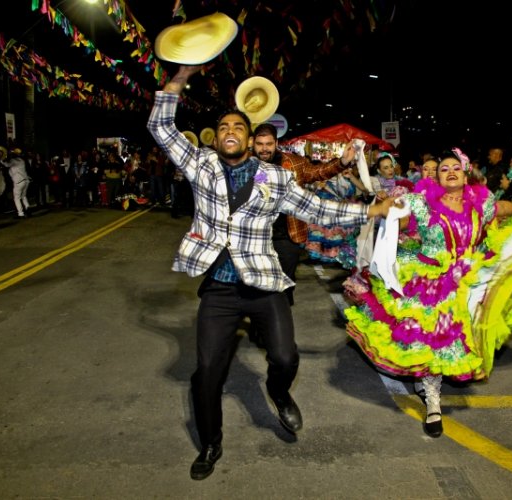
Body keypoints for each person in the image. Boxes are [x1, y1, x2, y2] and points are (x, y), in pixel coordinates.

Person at [147, 64, 398, 481]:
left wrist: (370, 209)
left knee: (285, 356)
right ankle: (211, 441)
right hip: (220, 289)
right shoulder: (201, 165)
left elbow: (316, 209)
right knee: (208, 370)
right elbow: (161, 128)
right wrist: (179, 79)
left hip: (263, 282)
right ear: (218, 135)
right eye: (223, 125)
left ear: (249, 138)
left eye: (238, 126)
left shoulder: (276, 177)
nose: (230, 130)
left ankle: (278, 393)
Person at [344, 148, 512, 438]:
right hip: (432, 282)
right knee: (434, 340)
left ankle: (430, 380)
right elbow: (401, 221)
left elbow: (505, 209)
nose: (450, 172)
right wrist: (391, 212)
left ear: (465, 173)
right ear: (437, 176)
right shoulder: (421, 203)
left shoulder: (481, 202)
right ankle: (433, 403)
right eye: (444, 169)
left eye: (455, 167)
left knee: (465, 338)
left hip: (470, 279)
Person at [252, 122, 356, 305]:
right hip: (254, 236)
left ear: (276, 143)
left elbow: (318, 172)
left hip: (287, 235)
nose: (264, 149)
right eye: (260, 144)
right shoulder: (244, 165)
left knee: (283, 284)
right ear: (252, 143)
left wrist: (342, 162)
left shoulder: (294, 162)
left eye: (268, 144)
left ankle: (279, 317)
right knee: (257, 286)